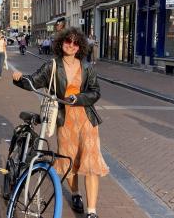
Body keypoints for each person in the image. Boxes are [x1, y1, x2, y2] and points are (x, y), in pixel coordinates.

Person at [12, 27, 109, 218]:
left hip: (86, 120)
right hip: (65, 120)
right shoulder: (53, 65)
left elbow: (95, 92)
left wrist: (78, 98)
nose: (71, 46)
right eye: (67, 41)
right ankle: (75, 194)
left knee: (91, 162)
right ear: (61, 43)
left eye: (75, 43)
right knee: (69, 161)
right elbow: (34, 81)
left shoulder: (87, 67)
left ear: (80, 46)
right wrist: (19, 79)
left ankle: (91, 211)